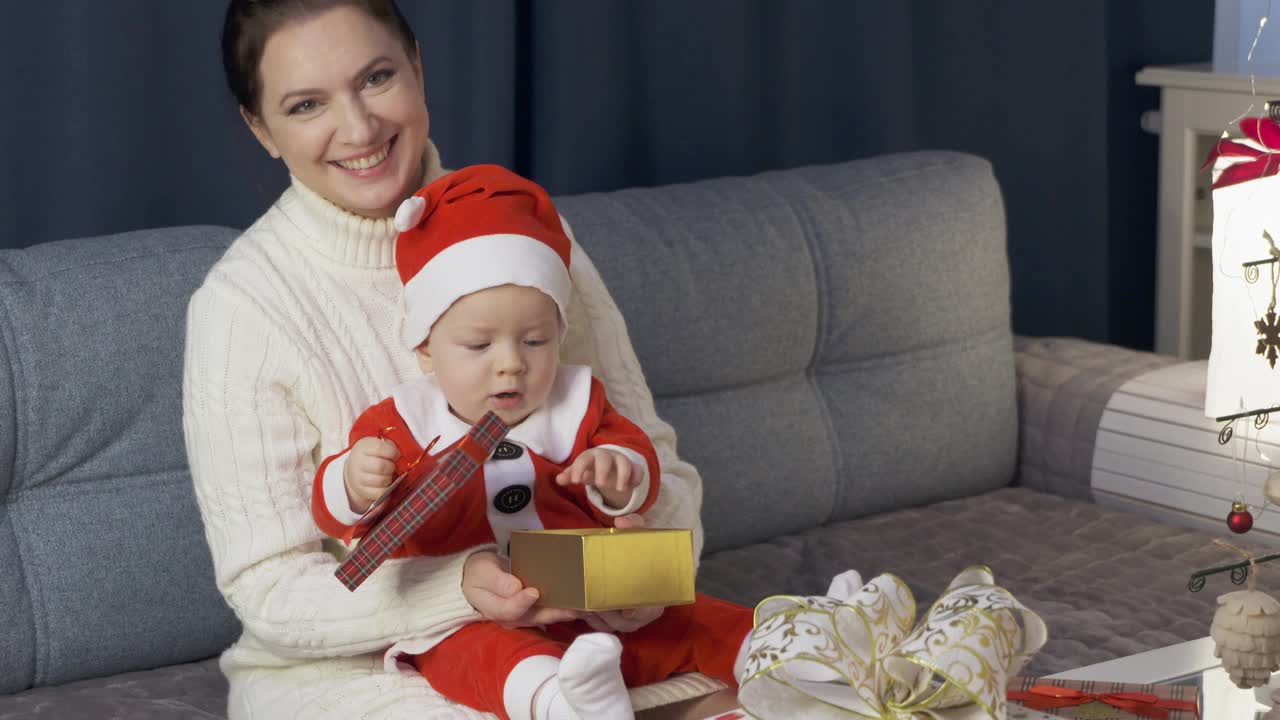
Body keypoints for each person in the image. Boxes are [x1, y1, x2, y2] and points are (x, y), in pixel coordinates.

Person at [183, 1, 706, 717]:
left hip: (582, 633)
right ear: (260, 128)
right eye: (307, 104)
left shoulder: (523, 228)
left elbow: (659, 470)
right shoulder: (241, 308)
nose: (361, 129)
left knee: (783, 685)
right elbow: (271, 592)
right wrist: (458, 586)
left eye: (376, 78)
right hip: (354, 674)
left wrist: (627, 574)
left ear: (419, 68)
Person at [311, 164, 757, 720]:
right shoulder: (404, 421)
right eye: (478, 346)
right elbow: (337, 519)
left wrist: (618, 474)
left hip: (589, 599)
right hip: (471, 617)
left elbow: (636, 460)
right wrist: (352, 481)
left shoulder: (575, 401)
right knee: (485, 657)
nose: (511, 366)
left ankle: (799, 654)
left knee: (698, 617)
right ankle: (565, 704)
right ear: (426, 348)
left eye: (535, 340)